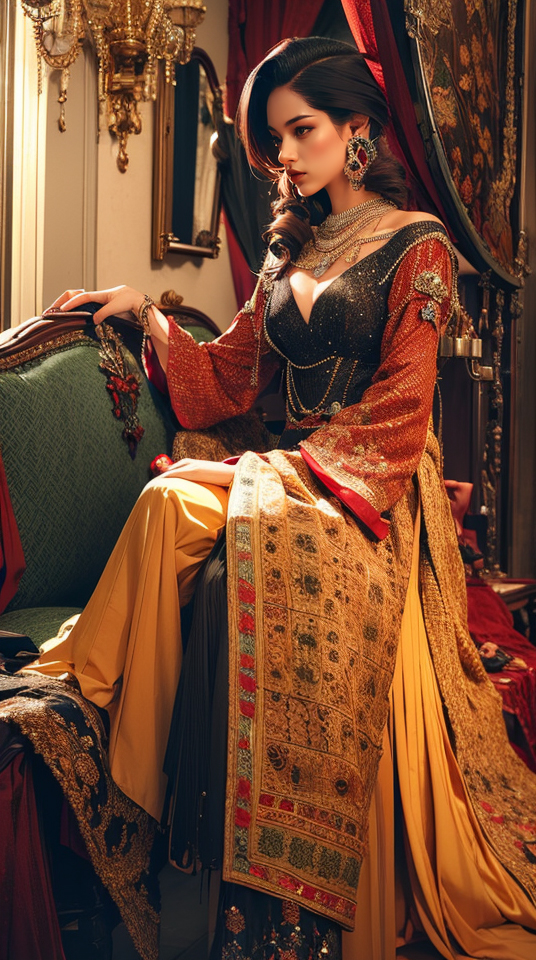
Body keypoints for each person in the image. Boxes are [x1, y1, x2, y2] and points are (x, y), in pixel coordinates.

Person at [20, 36, 536, 960]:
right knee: (168, 502)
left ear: (356, 129)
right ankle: (103, 739)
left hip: (374, 484)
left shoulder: (419, 244)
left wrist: (261, 473)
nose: (285, 155)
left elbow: (402, 410)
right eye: (274, 138)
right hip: (294, 471)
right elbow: (224, 380)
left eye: (302, 131)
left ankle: (83, 695)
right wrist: (147, 313)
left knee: (181, 493)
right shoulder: (288, 247)